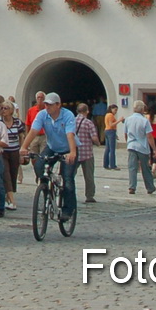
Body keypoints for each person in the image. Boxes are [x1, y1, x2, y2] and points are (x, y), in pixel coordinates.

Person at [24, 92, 80, 221]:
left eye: (50, 105)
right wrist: (23, 147)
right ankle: (45, 188)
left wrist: (72, 152)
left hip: (67, 148)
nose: (47, 107)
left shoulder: (67, 115)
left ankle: (68, 209)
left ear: (58, 105)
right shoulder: (42, 115)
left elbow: (70, 134)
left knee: (68, 180)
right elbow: (33, 131)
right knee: (39, 164)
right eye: (46, 104)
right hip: (52, 147)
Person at [123, 101, 156, 196]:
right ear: (142, 109)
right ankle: (150, 187)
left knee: (132, 168)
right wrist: (154, 149)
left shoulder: (128, 119)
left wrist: (128, 143)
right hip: (142, 147)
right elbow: (149, 136)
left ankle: (132, 186)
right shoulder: (144, 121)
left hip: (131, 146)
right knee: (145, 168)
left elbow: (125, 134)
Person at [74, 103, 99, 203]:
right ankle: (89, 196)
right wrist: (98, 143)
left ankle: (68, 193)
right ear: (87, 111)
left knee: (70, 175)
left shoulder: (71, 121)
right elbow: (94, 137)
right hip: (87, 153)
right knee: (89, 176)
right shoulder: (88, 123)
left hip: (74, 152)